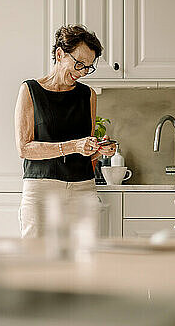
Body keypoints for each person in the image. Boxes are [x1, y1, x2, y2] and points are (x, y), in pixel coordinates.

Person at [14, 25, 116, 238]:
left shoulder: (87, 95)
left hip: (83, 189)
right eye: (78, 64)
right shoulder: (30, 91)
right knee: (36, 258)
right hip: (41, 189)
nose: (82, 73)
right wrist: (74, 145)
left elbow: (85, 155)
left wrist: (99, 150)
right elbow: (25, 148)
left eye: (88, 67)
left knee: (83, 259)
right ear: (60, 54)